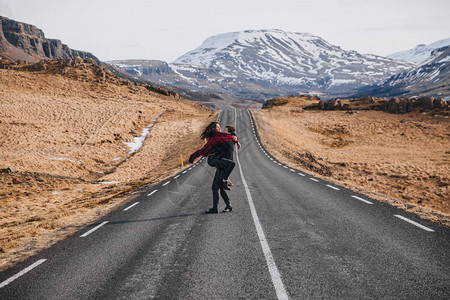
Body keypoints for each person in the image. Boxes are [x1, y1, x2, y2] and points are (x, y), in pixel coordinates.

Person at [188, 122, 240, 214]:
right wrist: (236, 140)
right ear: (214, 129)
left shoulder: (222, 137)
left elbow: (204, 149)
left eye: (223, 128)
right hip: (222, 165)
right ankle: (224, 206)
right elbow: (230, 137)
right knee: (216, 187)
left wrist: (193, 156)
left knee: (216, 186)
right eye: (218, 127)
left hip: (224, 164)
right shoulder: (221, 137)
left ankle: (222, 206)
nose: (221, 129)